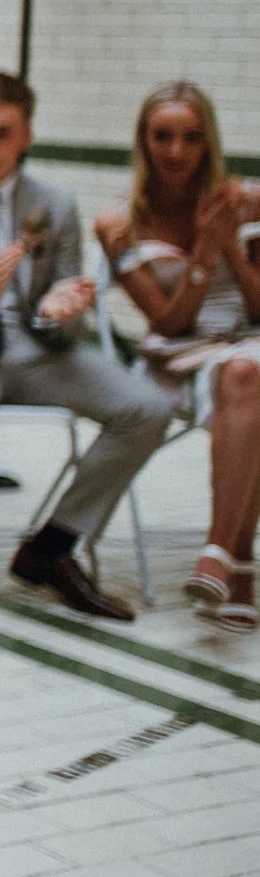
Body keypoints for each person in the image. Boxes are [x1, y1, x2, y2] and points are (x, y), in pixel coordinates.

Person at [0, 72, 175, 627]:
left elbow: (68, 309)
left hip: (38, 348)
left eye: (2, 133)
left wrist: (61, 311)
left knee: (148, 408)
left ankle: (52, 545)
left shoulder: (55, 203)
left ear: (26, 135)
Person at [95, 84, 260, 632]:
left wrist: (232, 246)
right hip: (177, 354)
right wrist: (205, 254)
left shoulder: (242, 203)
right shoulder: (118, 223)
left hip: (246, 344)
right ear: (143, 141)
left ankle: (219, 553)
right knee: (247, 381)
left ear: (208, 143)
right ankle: (239, 568)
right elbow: (167, 322)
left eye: (191, 139)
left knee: (246, 373)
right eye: (162, 137)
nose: (176, 152)